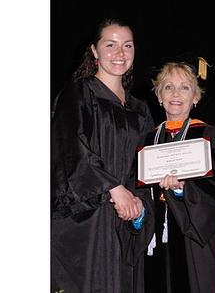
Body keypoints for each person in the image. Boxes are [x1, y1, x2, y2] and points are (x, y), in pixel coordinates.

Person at [51, 18, 155, 293]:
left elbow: (144, 166)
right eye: (110, 45)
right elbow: (72, 148)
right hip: (85, 221)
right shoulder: (79, 92)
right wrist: (113, 188)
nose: (120, 53)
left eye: (127, 45)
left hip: (124, 221)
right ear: (95, 51)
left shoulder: (140, 109)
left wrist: (139, 204)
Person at [144, 58, 215, 293]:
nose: (176, 93)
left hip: (194, 243)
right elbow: (137, 191)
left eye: (185, 87)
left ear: (196, 97)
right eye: (168, 87)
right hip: (153, 243)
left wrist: (182, 190)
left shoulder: (212, 136)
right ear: (158, 96)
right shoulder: (144, 142)